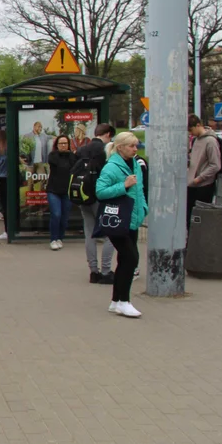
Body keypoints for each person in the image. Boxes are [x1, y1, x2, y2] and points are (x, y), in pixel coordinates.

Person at [96, 132, 148, 318]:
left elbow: (140, 190)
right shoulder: (111, 167)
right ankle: (124, 301)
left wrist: (143, 208)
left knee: (125, 260)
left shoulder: (134, 163)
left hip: (132, 219)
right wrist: (123, 186)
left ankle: (116, 301)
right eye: (131, 146)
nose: (135, 149)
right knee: (131, 258)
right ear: (120, 147)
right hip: (118, 220)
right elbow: (100, 192)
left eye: (136, 145)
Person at [74, 123, 115, 284]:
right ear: (108, 134)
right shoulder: (106, 150)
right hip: (100, 196)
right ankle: (106, 271)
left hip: (83, 196)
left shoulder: (83, 149)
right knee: (109, 233)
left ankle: (93, 271)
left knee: (89, 233)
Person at [186, 114, 220, 233]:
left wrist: (200, 178)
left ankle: (198, 244)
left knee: (199, 218)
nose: (190, 133)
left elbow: (215, 165)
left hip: (203, 185)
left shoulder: (210, 141)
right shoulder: (196, 140)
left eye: (191, 130)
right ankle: (190, 242)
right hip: (192, 184)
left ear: (198, 125)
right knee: (189, 217)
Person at [46, 134, 76, 251]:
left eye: (65, 143)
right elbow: (61, 165)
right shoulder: (53, 156)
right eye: (61, 143)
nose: (63, 146)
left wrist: (71, 154)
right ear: (57, 145)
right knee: (56, 214)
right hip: (53, 190)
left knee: (64, 217)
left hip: (67, 190)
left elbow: (74, 167)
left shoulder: (72, 156)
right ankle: (53, 239)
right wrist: (67, 154)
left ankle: (60, 238)